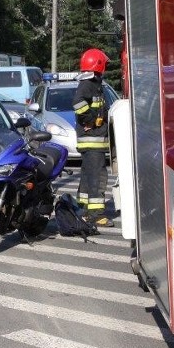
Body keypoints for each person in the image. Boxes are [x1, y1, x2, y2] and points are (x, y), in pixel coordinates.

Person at [73, 48, 114, 227]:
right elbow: (78, 103)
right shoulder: (88, 84)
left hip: (93, 140)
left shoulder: (94, 83)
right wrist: (92, 120)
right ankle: (96, 214)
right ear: (99, 64)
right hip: (92, 139)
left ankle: (83, 209)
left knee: (88, 175)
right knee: (97, 177)